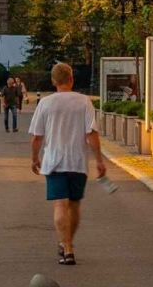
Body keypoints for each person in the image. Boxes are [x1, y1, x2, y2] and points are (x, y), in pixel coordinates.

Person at [28, 62, 106, 266]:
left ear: (53, 81)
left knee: (60, 203)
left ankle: (67, 247)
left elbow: (37, 136)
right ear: (71, 79)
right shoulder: (84, 102)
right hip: (78, 161)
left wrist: (34, 158)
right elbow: (91, 133)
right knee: (74, 204)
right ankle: (68, 243)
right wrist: (99, 160)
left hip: (54, 160)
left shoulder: (45, 103)